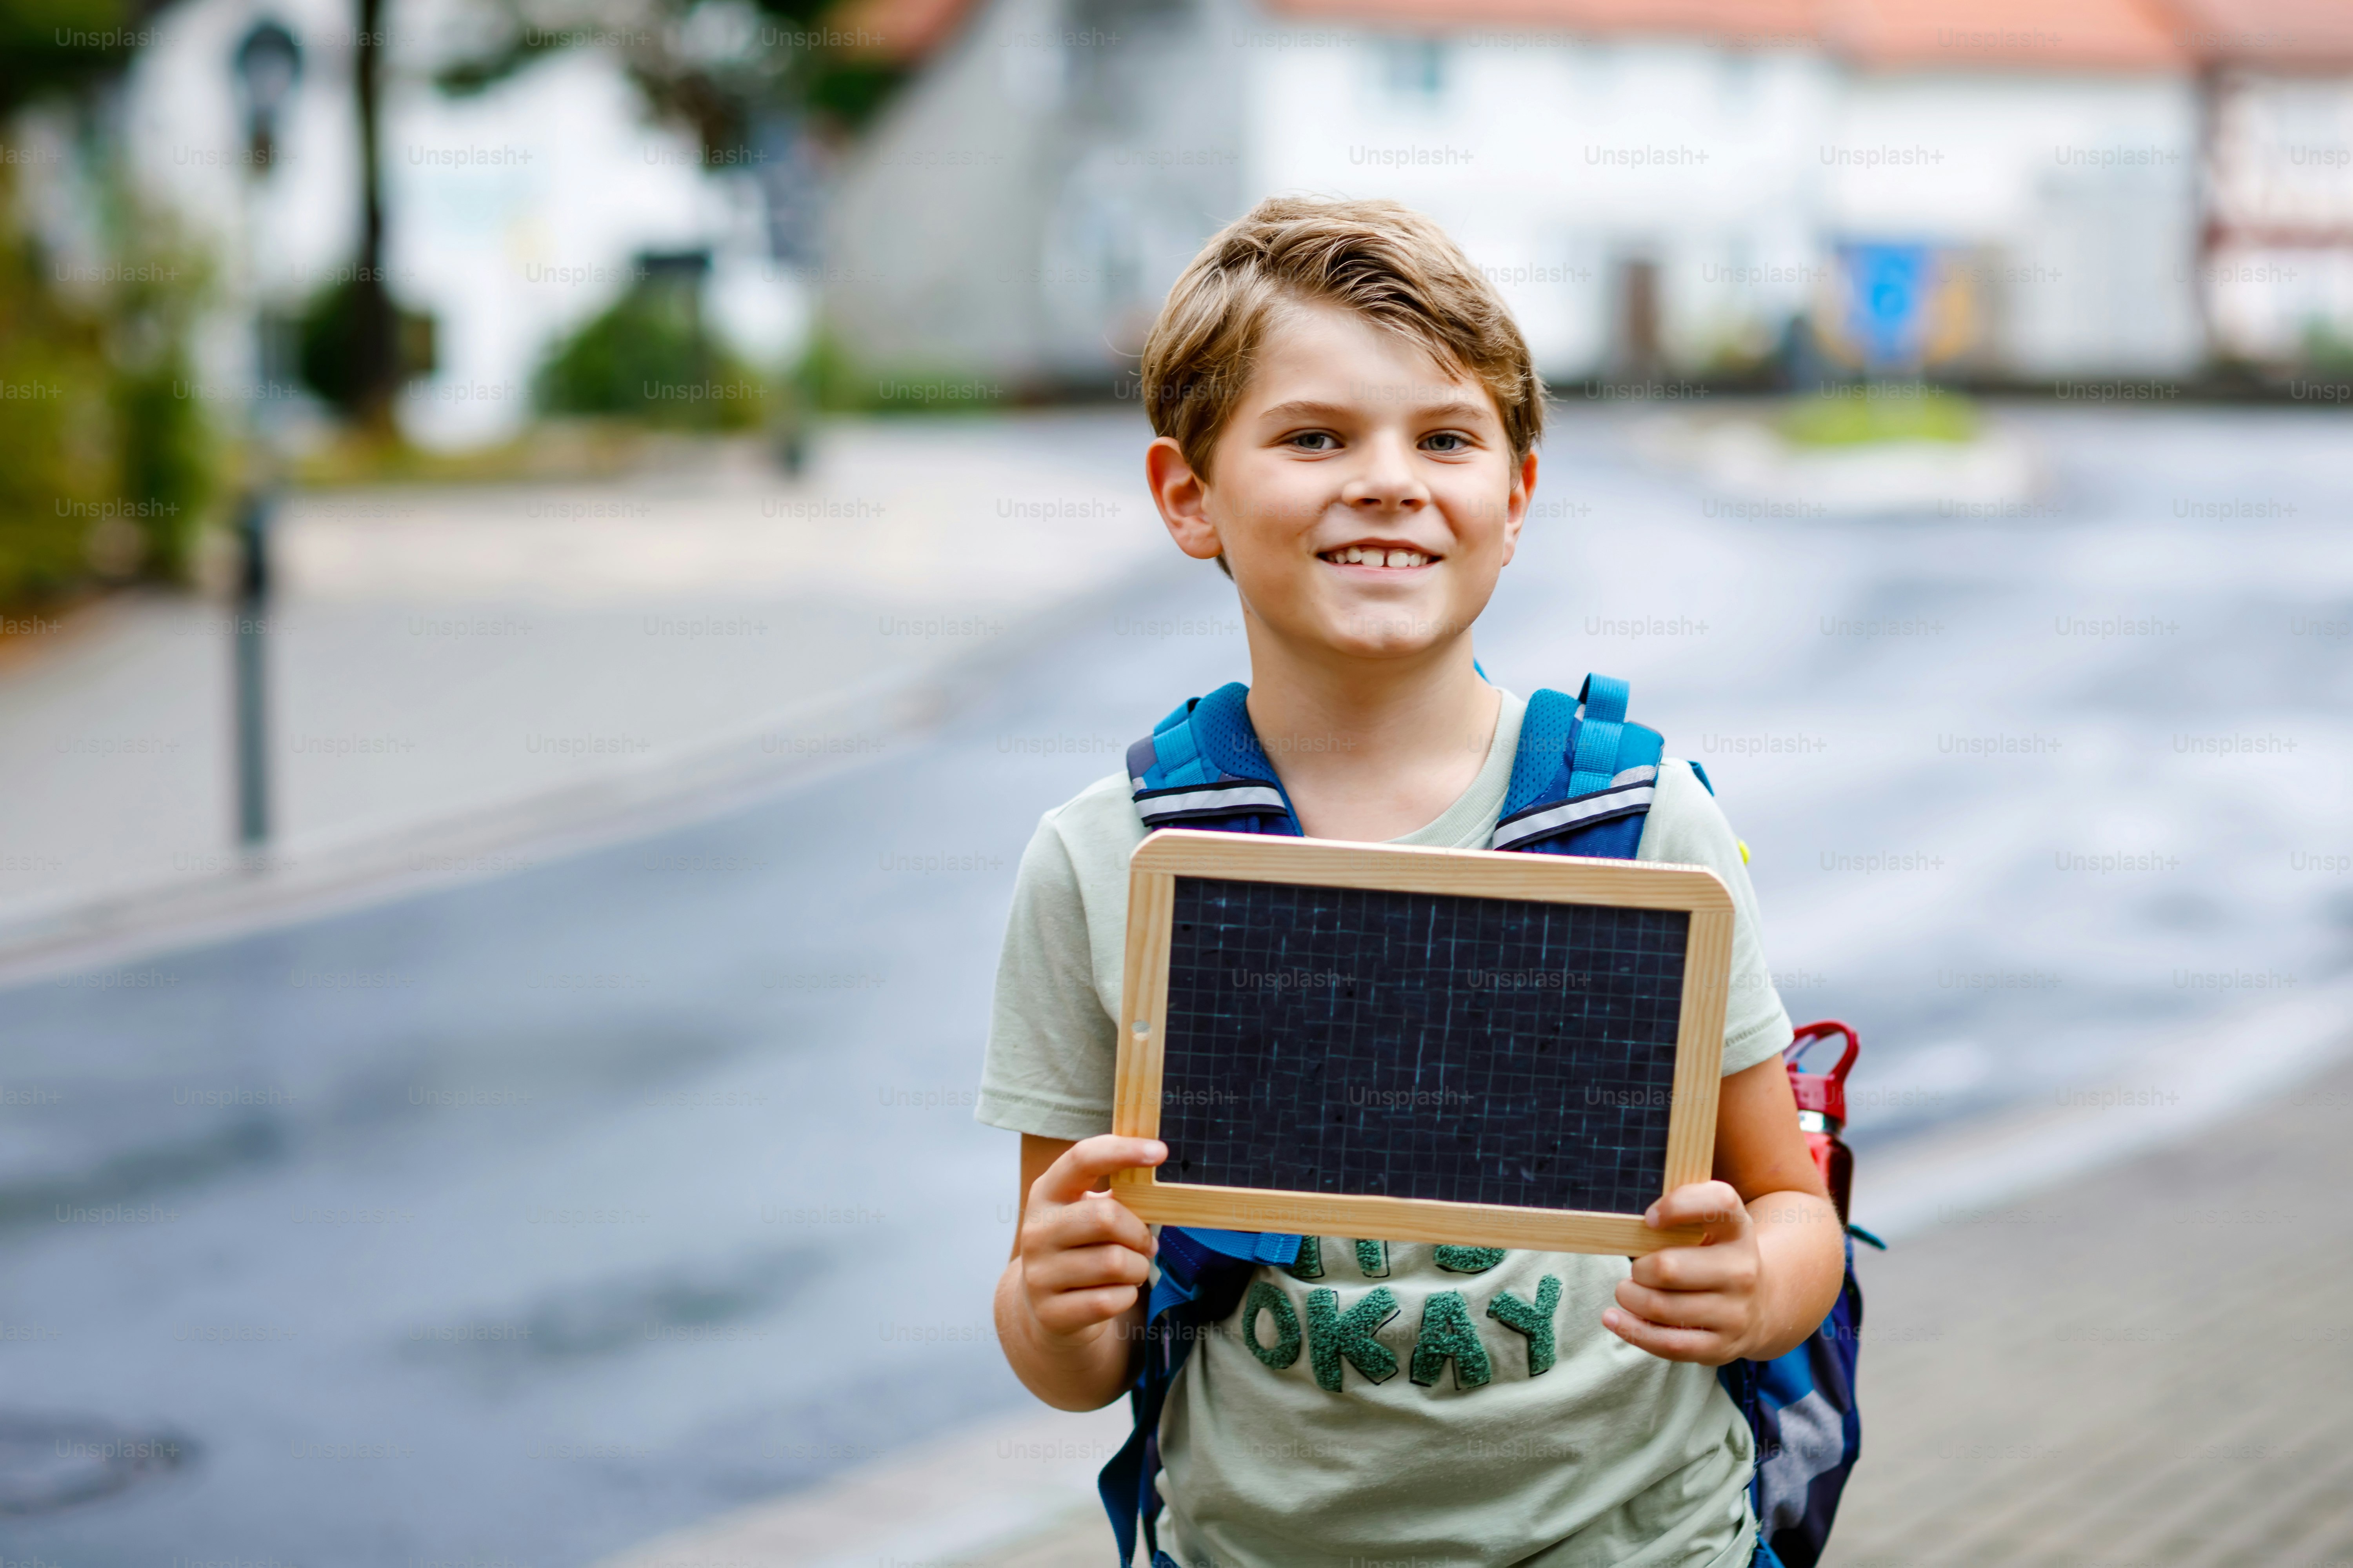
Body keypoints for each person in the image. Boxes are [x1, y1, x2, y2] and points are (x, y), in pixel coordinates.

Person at [977, 195, 1844, 1568]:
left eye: (1444, 438)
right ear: (1186, 494)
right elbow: (1068, 1343)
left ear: (1516, 496)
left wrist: (1757, 1292)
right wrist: (1054, 1306)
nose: (1387, 480)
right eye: (1314, 436)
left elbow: (1796, 1213)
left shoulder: (1638, 819)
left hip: (1640, 1544)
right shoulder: (1108, 863)